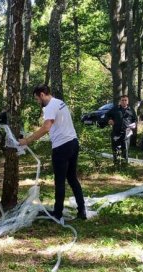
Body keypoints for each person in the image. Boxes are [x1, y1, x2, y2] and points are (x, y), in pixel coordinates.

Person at [18, 84, 87, 222]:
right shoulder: (59, 102)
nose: (38, 102)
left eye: (37, 99)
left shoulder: (49, 106)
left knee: (60, 181)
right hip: (73, 142)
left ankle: (57, 213)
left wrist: (27, 140)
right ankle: (82, 211)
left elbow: (46, 127)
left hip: (62, 147)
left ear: (42, 95)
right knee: (72, 178)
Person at [106, 95, 137, 165]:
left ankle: (124, 165)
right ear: (120, 101)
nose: (124, 101)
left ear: (128, 101)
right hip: (116, 132)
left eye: (125, 100)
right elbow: (107, 115)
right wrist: (109, 120)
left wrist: (134, 125)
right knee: (115, 148)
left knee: (125, 149)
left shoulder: (131, 110)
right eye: (122, 100)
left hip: (126, 133)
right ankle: (116, 164)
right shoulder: (115, 109)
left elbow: (135, 120)